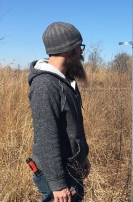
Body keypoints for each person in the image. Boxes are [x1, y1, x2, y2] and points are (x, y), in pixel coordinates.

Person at [28, 22, 90, 202]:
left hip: (71, 167)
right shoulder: (45, 85)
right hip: (58, 174)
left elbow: (73, 125)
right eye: (79, 47)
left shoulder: (65, 81)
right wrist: (57, 184)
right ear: (69, 50)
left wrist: (82, 155)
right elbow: (46, 138)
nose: (81, 53)